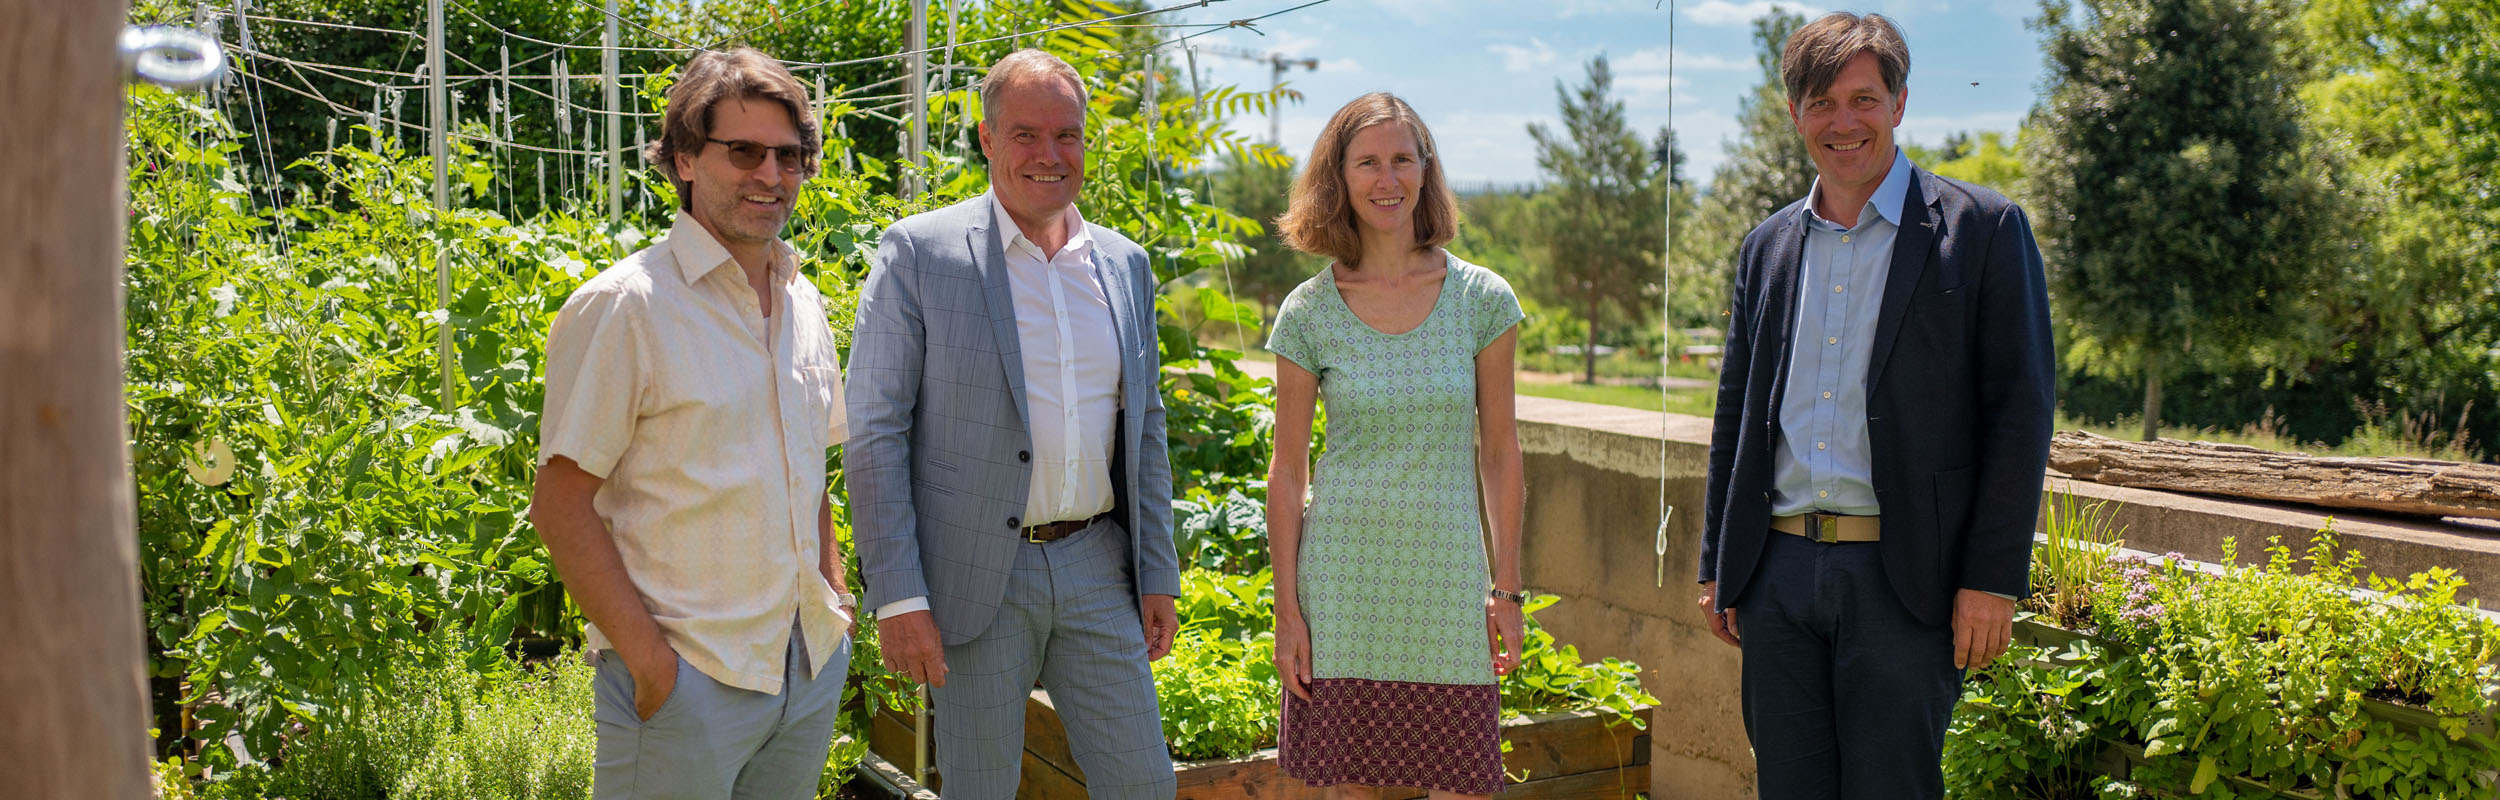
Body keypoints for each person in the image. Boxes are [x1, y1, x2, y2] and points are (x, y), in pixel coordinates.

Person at [1696, 11, 2057, 799]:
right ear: (1795, 115)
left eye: (1862, 99)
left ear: (1898, 103)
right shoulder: (1767, 247)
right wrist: (1720, 564)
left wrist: (1992, 579)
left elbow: (2020, 413)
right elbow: (1736, 413)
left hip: (1907, 583)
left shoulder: (1984, 229)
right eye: (1821, 103)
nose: (1843, 122)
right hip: (1778, 575)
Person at [845, 48, 1180, 799]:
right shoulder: (920, 253)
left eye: (1068, 135)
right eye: (1026, 135)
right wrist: (900, 597)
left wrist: (1158, 569)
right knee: (981, 789)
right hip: (974, 576)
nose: (1049, 155)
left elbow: (1146, 424)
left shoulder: (1124, 265)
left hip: (1098, 562)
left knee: (1145, 785)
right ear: (988, 139)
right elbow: (874, 429)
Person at [531, 46, 856, 800]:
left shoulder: (804, 302)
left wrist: (833, 597)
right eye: (742, 151)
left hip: (802, 668)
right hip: (688, 679)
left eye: (789, 155)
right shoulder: (627, 308)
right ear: (682, 158)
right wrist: (652, 668)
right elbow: (560, 504)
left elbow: (805, 469)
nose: (770, 176)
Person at [1263, 91, 1527, 800]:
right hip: (1343, 588)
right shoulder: (1308, 311)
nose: (1388, 179)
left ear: (1425, 169)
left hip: (1445, 586)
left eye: (1403, 159)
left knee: (1466, 788)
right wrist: (1288, 612)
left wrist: (1507, 590)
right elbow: (1286, 473)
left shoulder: (1483, 299)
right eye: (1368, 162)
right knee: (1356, 790)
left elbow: (1500, 452)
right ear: (1338, 178)